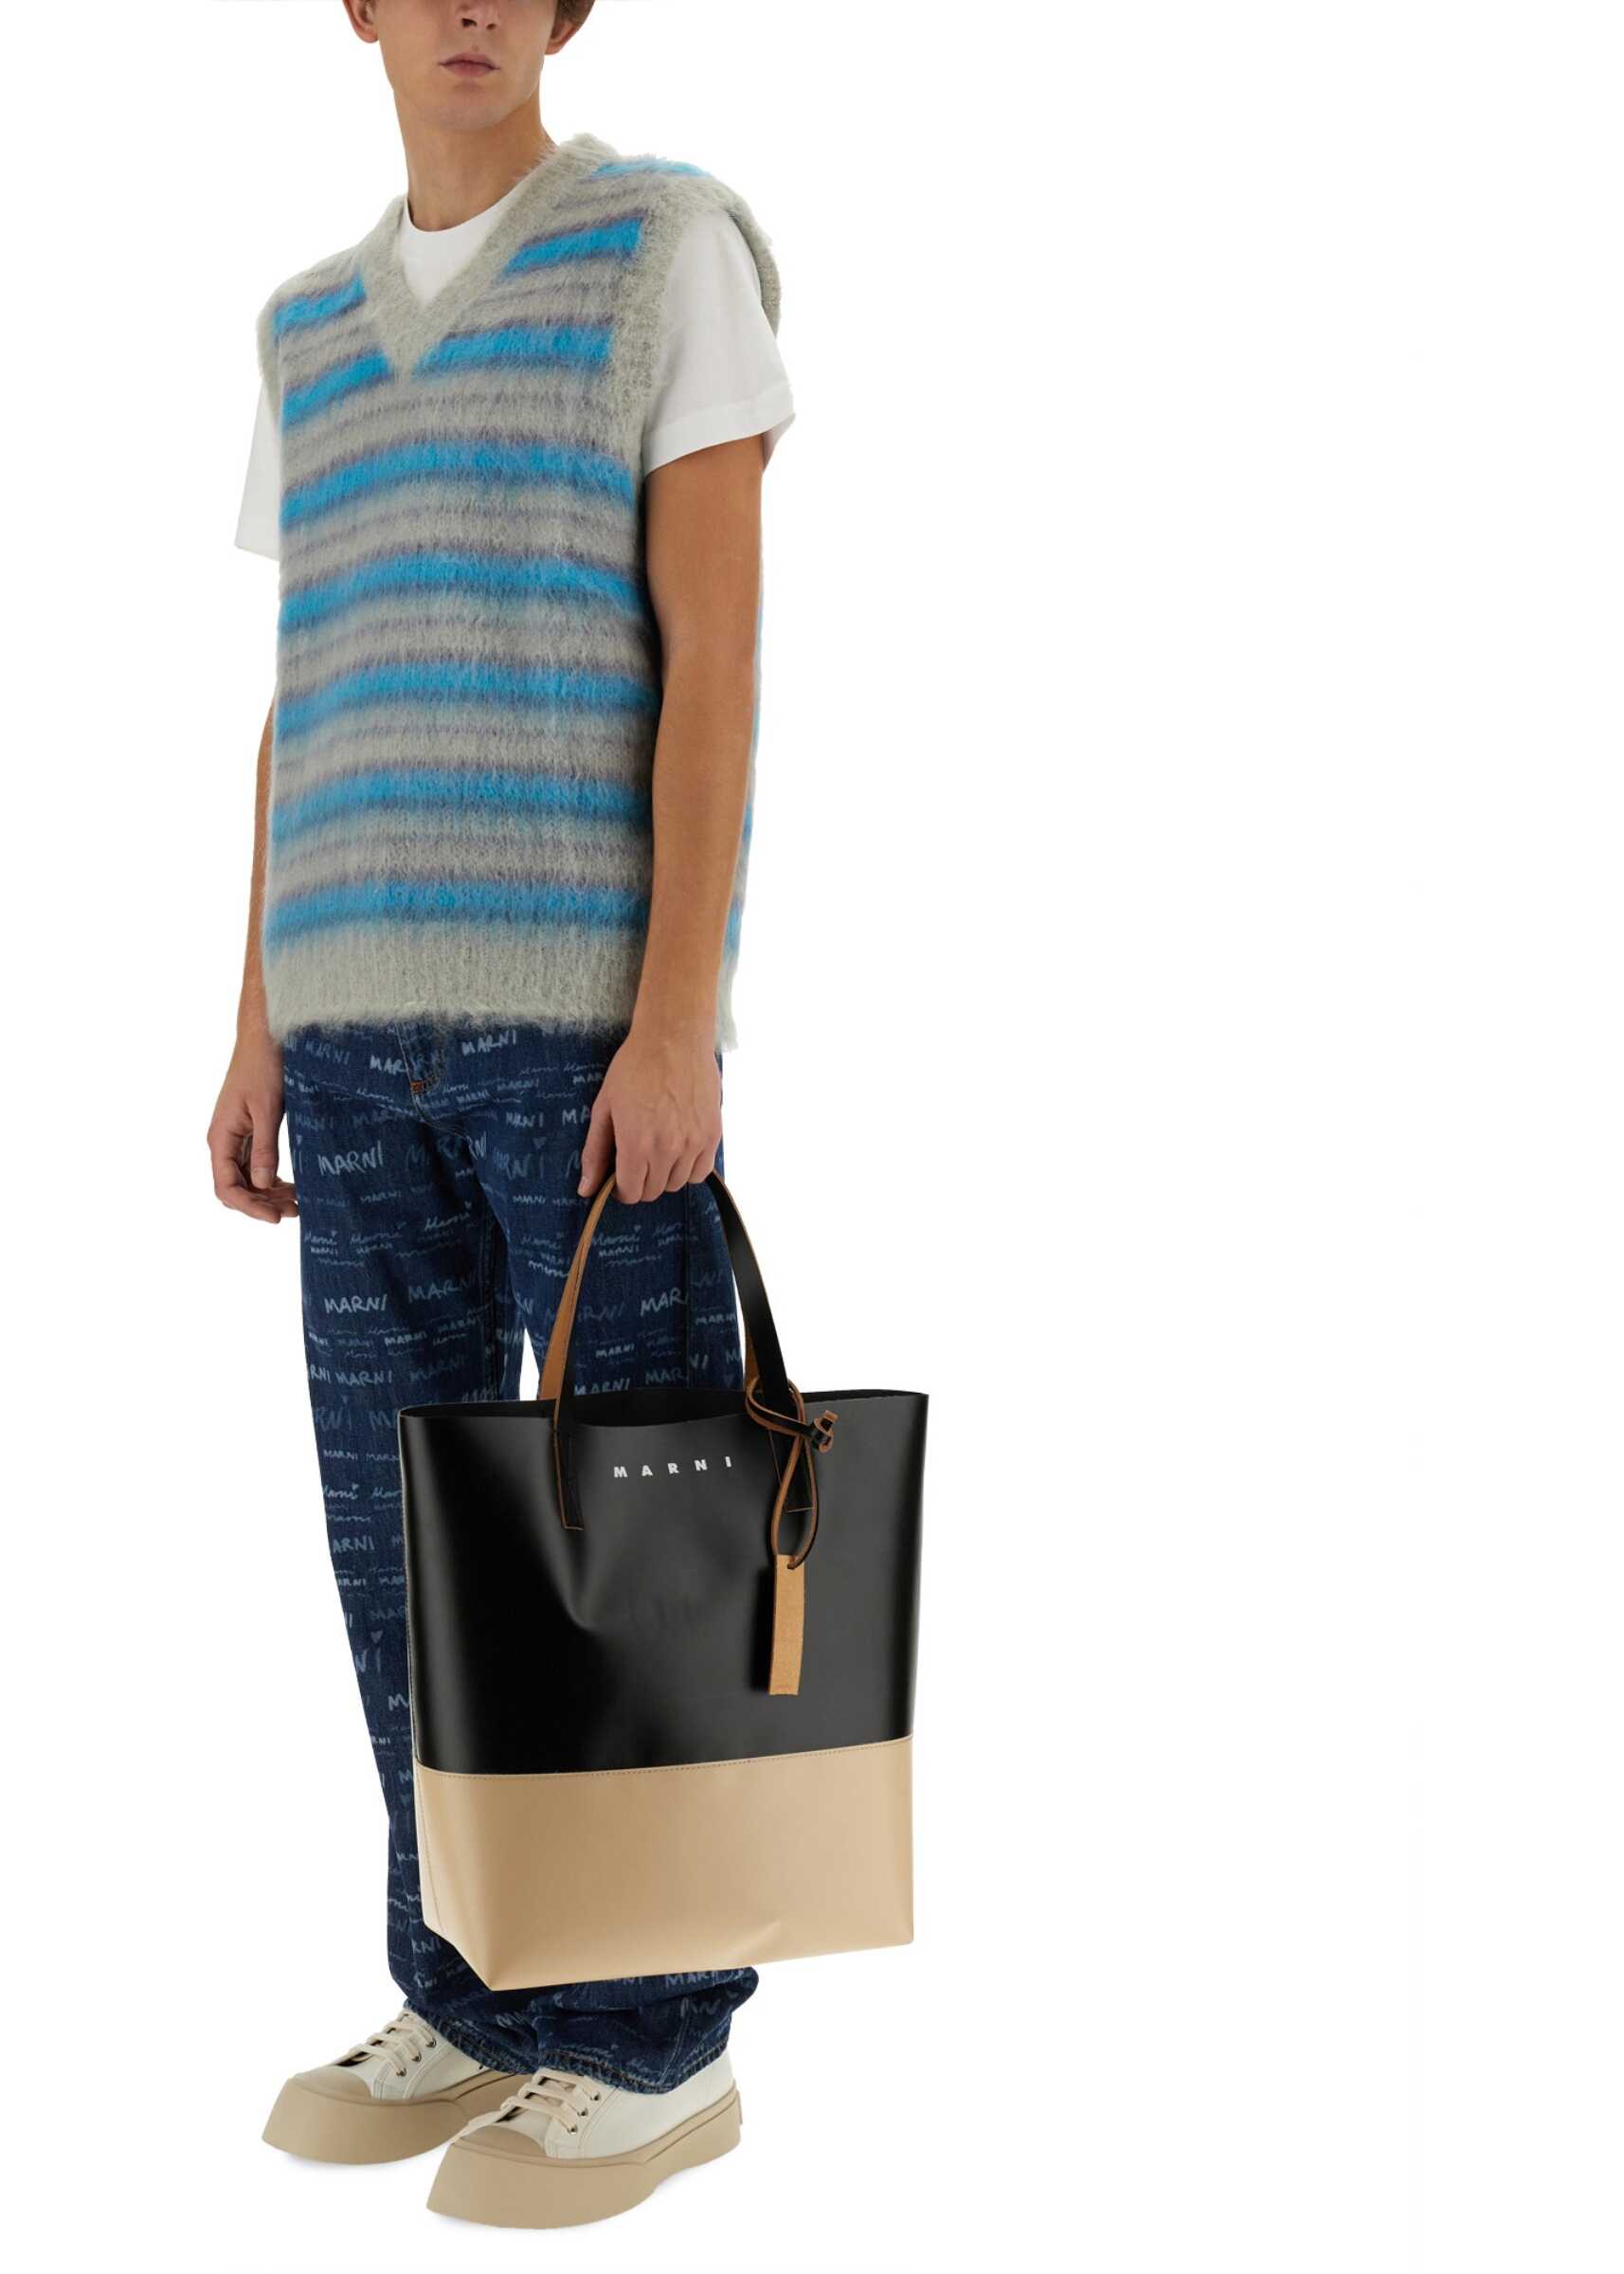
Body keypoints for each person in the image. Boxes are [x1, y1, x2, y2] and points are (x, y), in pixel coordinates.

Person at [208, 0, 792, 2229]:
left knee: (632, 1548)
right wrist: (254, 1019)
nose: (466, 7)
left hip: (576, 1042)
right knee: (407, 1550)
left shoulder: (660, 250)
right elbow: (307, 694)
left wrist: (677, 1024)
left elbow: (715, 658)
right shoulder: (301, 332)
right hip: (348, 1034)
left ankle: (653, 2041)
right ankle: (470, 1983)